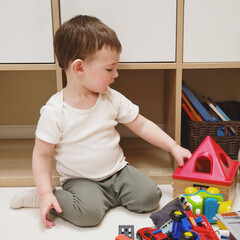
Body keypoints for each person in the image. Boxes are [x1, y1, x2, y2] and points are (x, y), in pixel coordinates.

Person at [10, 15, 191, 228]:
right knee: (88, 215)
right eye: (109, 69)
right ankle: (49, 199)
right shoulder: (55, 111)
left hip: (118, 171)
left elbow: (141, 124)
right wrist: (45, 192)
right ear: (79, 68)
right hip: (81, 180)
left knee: (151, 197)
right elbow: (41, 155)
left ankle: (105, 198)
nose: (116, 74)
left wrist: (173, 146)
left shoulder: (111, 98)